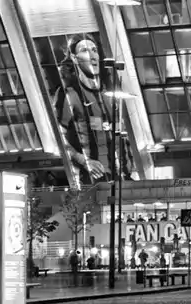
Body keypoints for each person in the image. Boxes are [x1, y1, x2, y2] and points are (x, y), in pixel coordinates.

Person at [52, 35, 133, 189]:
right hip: (92, 180)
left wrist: (129, 167)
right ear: (75, 58)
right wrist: (84, 161)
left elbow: (124, 135)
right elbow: (57, 138)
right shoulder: (69, 94)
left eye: (94, 50)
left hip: (122, 178)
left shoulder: (111, 93)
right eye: (84, 50)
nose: (92, 55)